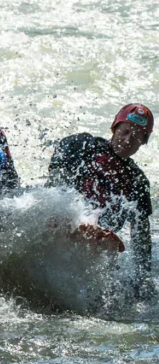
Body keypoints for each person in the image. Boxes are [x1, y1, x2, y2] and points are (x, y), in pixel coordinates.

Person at [47, 104, 153, 297]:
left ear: (142, 143)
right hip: (67, 219)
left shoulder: (137, 181)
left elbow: (141, 234)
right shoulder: (84, 145)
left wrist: (142, 278)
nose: (128, 140)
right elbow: (56, 174)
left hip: (100, 242)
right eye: (125, 131)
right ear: (114, 129)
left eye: (136, 137)